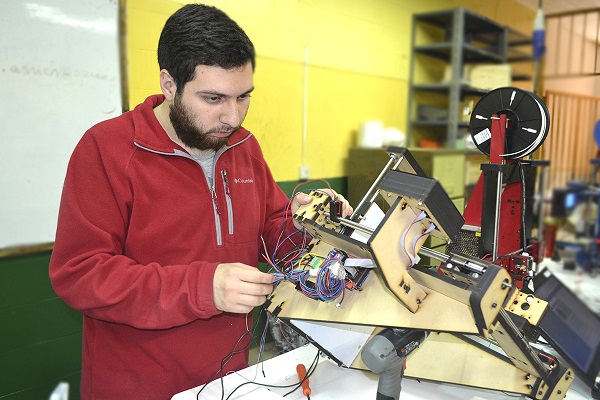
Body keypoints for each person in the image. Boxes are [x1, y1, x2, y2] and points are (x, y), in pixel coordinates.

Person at [49, 4, 351, 399]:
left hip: (228, 378)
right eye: (214, 98)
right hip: (136, 384)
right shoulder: (107, 149)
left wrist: (305, 225)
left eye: (244, 97)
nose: (232, 116)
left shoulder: (244, 146)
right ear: (169, 84)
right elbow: (80, 274)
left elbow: (273, 243)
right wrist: (203, 287)